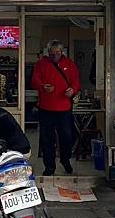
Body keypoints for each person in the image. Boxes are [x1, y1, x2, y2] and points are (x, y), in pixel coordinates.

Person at [31, 40, 81, 176]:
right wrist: (42, 87)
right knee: (47, 139)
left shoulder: (69, 64)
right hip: (46, 108)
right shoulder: (41, 64)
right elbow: (34, 81)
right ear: (48, 53)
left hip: (64, 108)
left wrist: (73, 90)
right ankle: (49, 166)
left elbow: (76, 81)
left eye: (57, 53)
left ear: (62, 52)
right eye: (52, 54)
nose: (55, 56)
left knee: (66, 137)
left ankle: (65, 160)